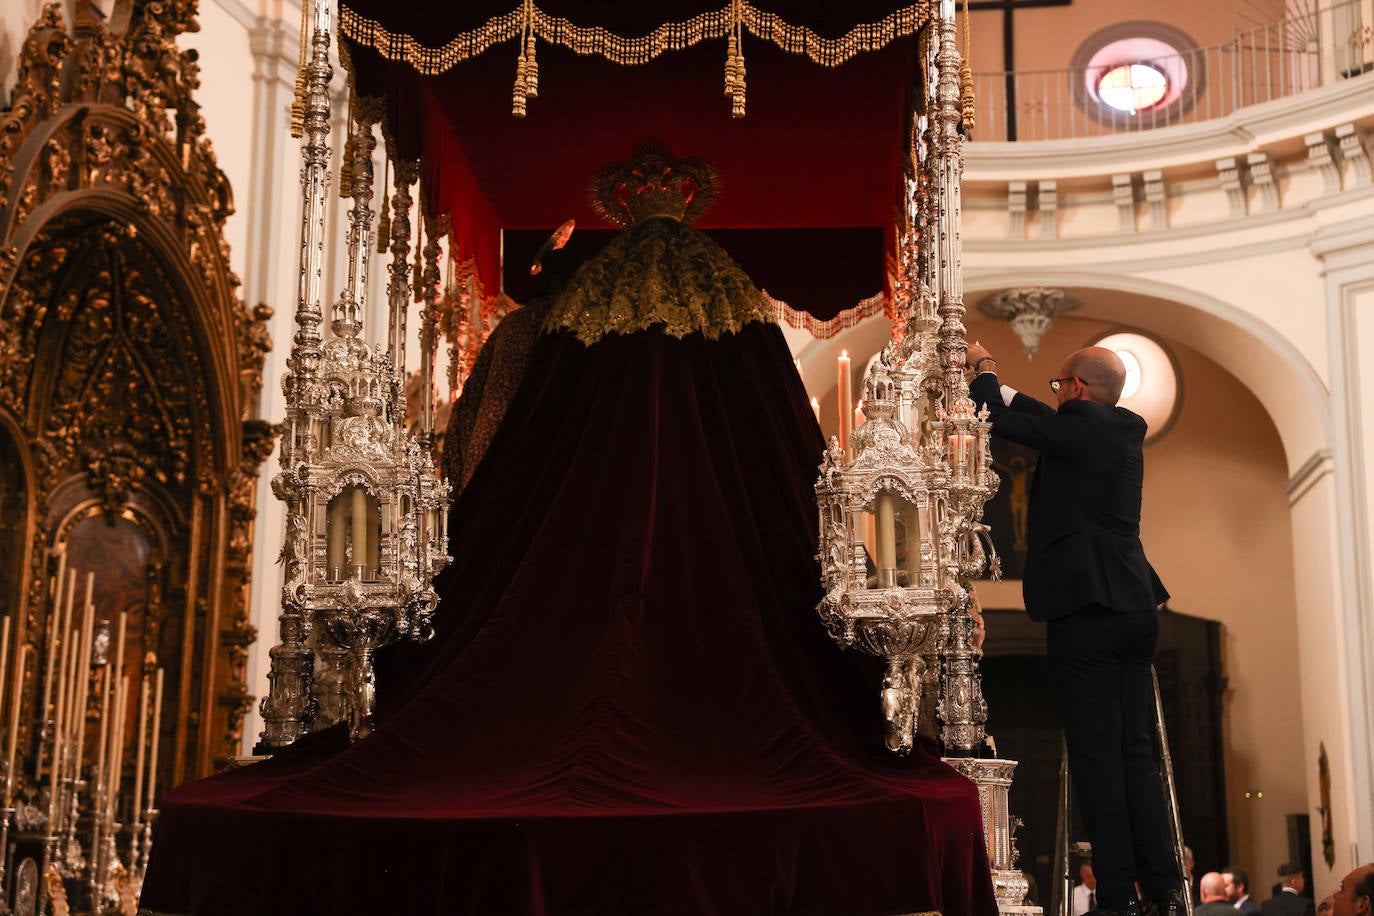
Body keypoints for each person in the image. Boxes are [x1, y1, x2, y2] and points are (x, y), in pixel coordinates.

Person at [967, 343, 1179, 916]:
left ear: (1079, 389)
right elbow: (1038, 411)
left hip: (1089, 611)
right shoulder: (1117, 430)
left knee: (1095, 755)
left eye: (1062, 388)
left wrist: (984, 374)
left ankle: (1115, 895)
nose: (1057, 396)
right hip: (1135, 609)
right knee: (1134, 751)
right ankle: (1163, 885)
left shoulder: (1081, 431)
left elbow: (1002, 418)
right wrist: (1013, 386)